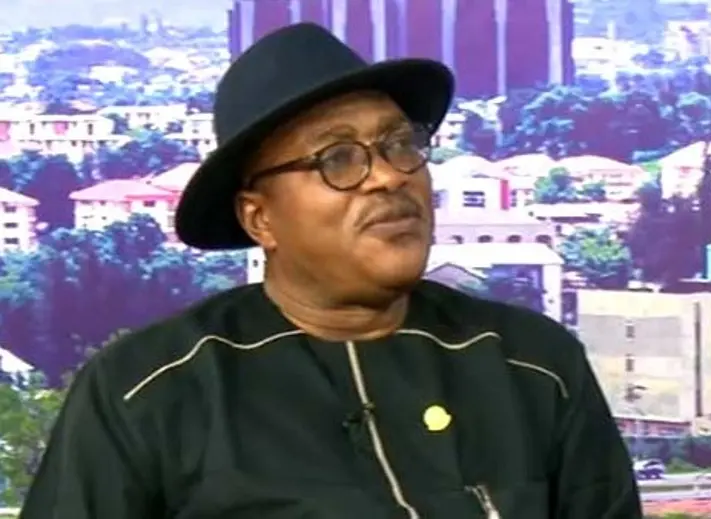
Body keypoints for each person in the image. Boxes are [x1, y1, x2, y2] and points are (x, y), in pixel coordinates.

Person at [21, 23, 642, 519]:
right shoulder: (150, 392)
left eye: (400, 144)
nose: (389, 176)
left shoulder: (531, 364)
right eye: (338, 158)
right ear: (260, 217)